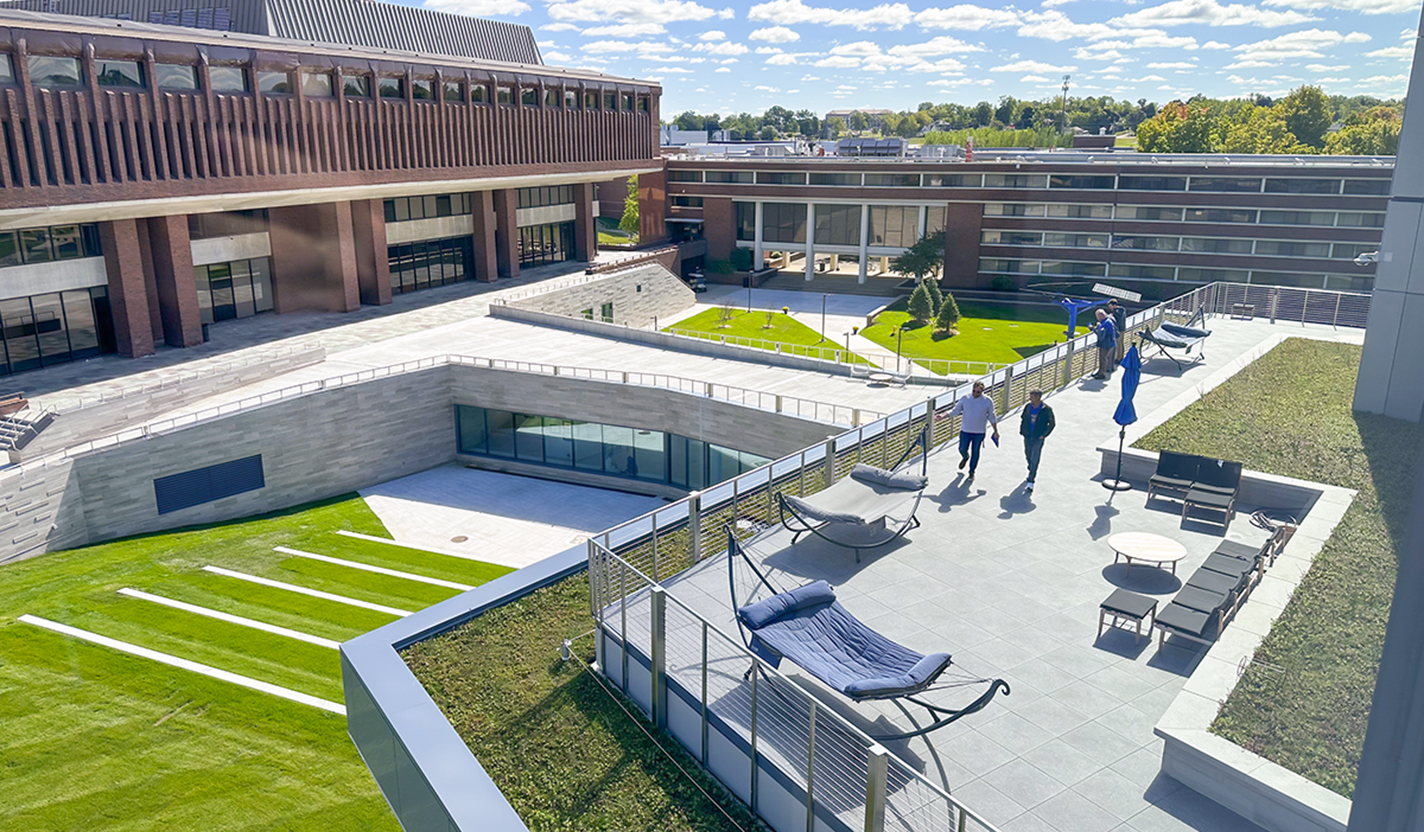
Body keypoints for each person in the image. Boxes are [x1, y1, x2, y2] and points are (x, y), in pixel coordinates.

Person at [943, 381, 999, 482]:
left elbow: (992, 416)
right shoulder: (965, 398)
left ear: (982, 391)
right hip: (965, 431)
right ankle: (965, 457)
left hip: (979, 432)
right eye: (974, 391)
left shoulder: (987, 401)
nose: (975, 394)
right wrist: (943, 416)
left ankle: (971, 472)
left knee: (976, 452)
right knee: (962, 448)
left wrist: (995, 431)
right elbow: (956, 410)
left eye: (978, 392)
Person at [1019, 390, 1055, 492]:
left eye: (1032, 397)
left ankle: (1031, 480)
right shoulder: (1028, 407)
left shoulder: (1046, 409)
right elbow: (1023, 418)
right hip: (1028, 436)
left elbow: (1052, 424)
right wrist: (1022, 430)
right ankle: (1031, 469)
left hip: (1038, 437)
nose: (1030, 399)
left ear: (1038, 397)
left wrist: (1044, 435)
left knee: (1035, 458)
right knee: (1028, 455)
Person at [1092, 307, 1117, 380]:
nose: (1097, 318)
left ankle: (1102, 373)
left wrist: (1093, 329)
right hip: (1107, 343)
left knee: (1103, 358)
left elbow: (1101, 334)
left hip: (1107, 344)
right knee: (1102, 358)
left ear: (1101, 316)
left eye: (1097, 316)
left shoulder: (1106, 323)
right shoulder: (1106, 321)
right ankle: (1100, 371)